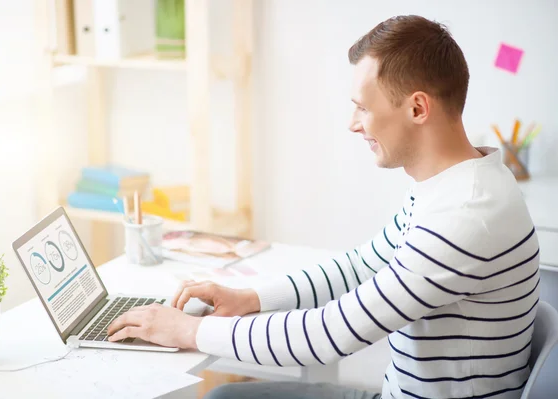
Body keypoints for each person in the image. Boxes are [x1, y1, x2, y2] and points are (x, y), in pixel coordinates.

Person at [107, 15, 540, 399]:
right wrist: (248, 298)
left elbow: (327, 335)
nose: (353, 124)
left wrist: (188, 330)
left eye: (363, 108)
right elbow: (360, 267)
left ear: (417, 107)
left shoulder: (466, 216)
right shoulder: (456, 184)